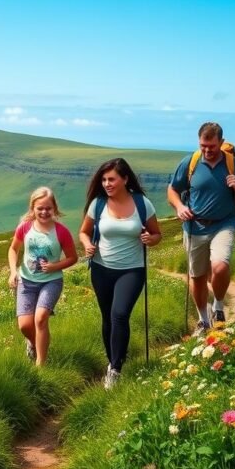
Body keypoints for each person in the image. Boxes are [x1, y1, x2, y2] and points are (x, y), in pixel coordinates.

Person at [166, 122, 235, 336]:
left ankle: (218, 306)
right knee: (197, 277)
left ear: (221, 143)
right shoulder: (190, 162)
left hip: (224, 224)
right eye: (203, 146)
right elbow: (172, 189)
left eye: (212, 146)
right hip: (194, 227)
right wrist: (179, 206)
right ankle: (203, 319)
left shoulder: (234, 164)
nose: (207, 151)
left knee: (220, 267)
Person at [79, 158, 162, 389]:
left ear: (125, 179)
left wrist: (150, 239)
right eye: (104, 179)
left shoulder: (142, 203)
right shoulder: (98, 203)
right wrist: (87, 245)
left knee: (119, 314)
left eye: (111, 179)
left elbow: (157, 234)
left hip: (132, 270)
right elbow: (84, 232)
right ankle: (112, 360)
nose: (107, 183)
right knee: (107, 317)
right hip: (101, 269)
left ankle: (115, 369)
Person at [7, 187, 78, 366]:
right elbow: (13, 249)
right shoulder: (24, 227)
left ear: (54, 208)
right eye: (40, 208)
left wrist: (55, 266)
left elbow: (73, 258)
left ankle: (41, 365)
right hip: (26, 280)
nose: (44, 212)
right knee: (24, 325)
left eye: (48, 208)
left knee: (40, 318)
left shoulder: (61, 231)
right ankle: (35, 343)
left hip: (51, 281)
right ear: (33, 208)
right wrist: (13, 271)